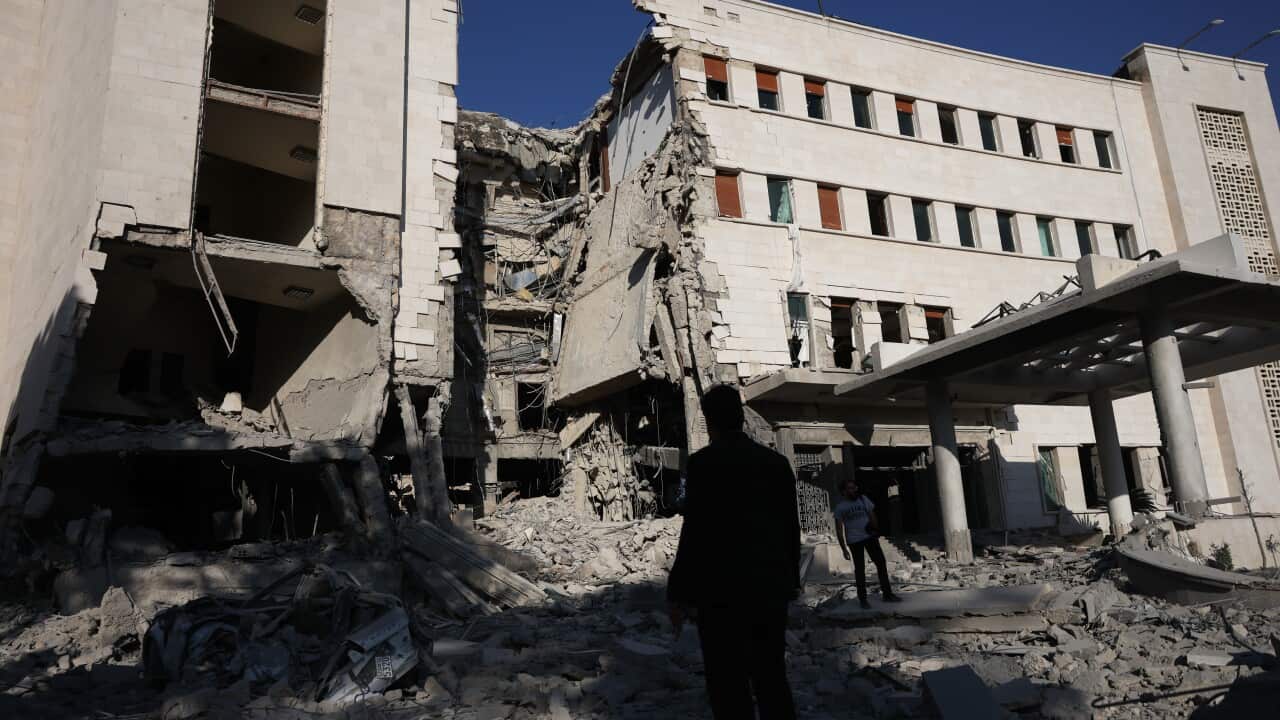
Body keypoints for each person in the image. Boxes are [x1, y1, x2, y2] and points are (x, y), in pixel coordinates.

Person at [667, 385, 799, 720]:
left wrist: (679, 592)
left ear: (710, 422)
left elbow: (694, 532)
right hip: (769, 589)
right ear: (741, 418)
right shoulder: (777, 463)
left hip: (720, 594)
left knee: (727, 684)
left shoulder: (702, 465)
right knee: (771, 677)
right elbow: (789, 529)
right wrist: (790, 581)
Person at [834, 477, 902, 609]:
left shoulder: (863, 499)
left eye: (854, 487)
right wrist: (843, 549)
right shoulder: (840, 507)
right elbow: (838, 528)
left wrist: (875, 529)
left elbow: (872, 514)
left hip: (869, 537)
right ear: (843, 492)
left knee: (881, 564)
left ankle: (887, 594)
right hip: (854, 541)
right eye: (850, 488)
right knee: (860, 570)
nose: (854, 490)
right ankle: (863, 600)